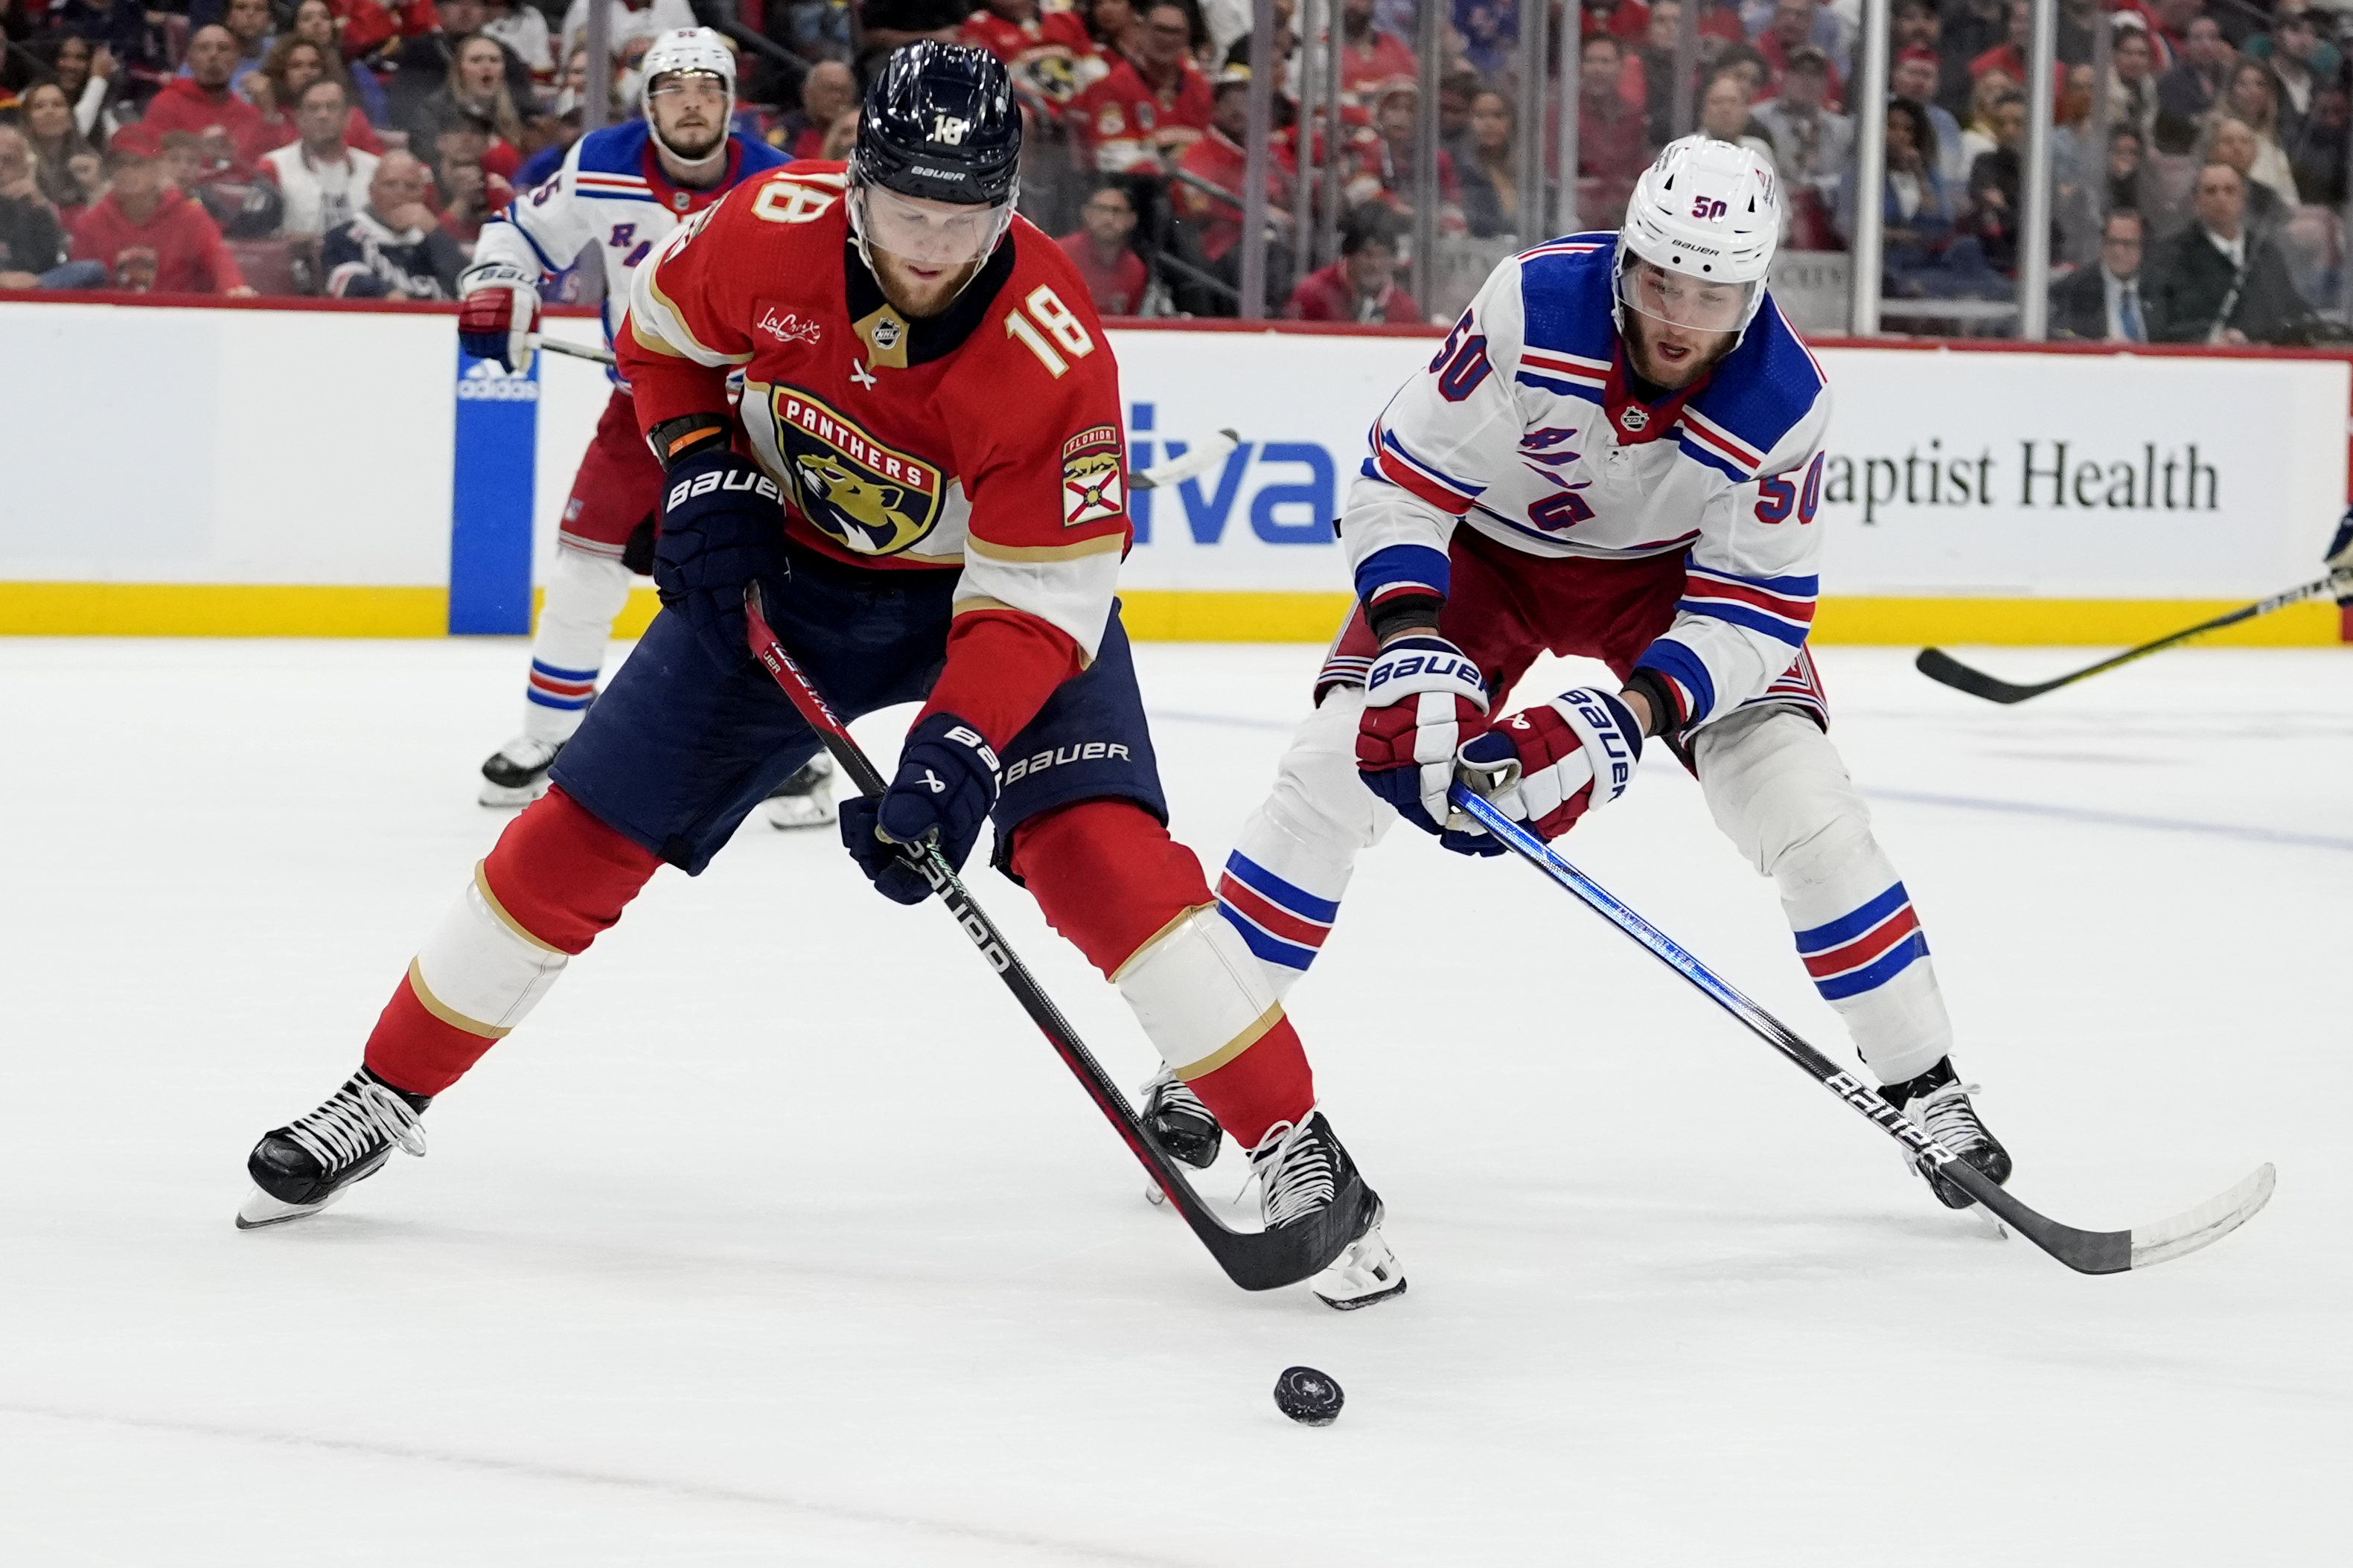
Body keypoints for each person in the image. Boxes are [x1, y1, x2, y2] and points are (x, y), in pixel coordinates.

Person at [238, 40, 1401, 1313]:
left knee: (1100, 856)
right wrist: (699, 464)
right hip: (788, 579)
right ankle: (384, 1090)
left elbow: (1034, 602)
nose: (930, 243)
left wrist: (956, 752)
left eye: (961, 218)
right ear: (856, 186)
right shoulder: (766, 226)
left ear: (1008, 203)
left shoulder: (1055, 352)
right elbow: (665, 340)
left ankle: (1298, 1145)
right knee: (579, 832)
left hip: (987, 601)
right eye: (907, 209)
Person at [1203, 133, 2014, 1232]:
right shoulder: (1536, 302)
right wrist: (1406, 638)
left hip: (1667, 592)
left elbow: (1757, 609)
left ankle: (1927, 1085)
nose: (1681, 316)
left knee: (1811, 813)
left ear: (1756, 290)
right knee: (1327, 777)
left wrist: (1630, 721)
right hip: (1486, 559)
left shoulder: (1784, 397)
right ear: (1627, 258)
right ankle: (1208, 1047)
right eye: (1662, 279)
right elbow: (1398, 487)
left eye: (1715, 292)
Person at [455, 28, 831, 826]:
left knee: (768, 581)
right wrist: (501, 284)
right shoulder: (600, 163)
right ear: (648, 101)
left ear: (731, 104)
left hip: (749, 415)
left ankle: (794, 753)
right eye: (673, 88)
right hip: (641, 402)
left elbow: (827, 295)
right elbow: (520, 231)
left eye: (707, 88)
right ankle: (550, 736)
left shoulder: (780, 185)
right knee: (585, 563)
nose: (690, 103)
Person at [69, 125, 256, 294]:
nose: (128, 171)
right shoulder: (89, 223)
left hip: (179, 322)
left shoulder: (190, 217)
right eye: (120, 164)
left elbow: (219, 261)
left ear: (159, 167)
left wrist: (235, 289)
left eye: (138, 163)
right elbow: (81, 287)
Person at [2145, 160, 2313, 345]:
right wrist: (2209, 341)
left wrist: (2262, 340)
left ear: (2243, 199)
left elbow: (2291, 311)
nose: (2221, 198)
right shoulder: (2171, 255)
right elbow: (2161, 324)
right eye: (2211, 191)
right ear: (2195, 202)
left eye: (2230, 190)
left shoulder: (2266, 253)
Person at [1075, 0, 1213, 173]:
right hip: (1141, 191)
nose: (1166, 39)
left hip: (1202, 189)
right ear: (1143, 30)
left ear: (1187, 38)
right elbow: (1115, 160)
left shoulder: (1201, 88)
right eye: (1159, 29)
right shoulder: (1112, 87)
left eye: (1175, 32)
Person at [321, 150, 467, 297]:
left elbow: (467, 284)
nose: (400, 193)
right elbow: (344, 280)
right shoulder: (345, 237)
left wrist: (435, 233)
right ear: (372, 192)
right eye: (390, 184)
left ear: (422, 197)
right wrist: (387, 295)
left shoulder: (431, 240)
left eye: (410, 187)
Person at [140, 25, 270, 179]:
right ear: (189, 59)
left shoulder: (250, 114)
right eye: (203, 49)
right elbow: (151, 162)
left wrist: (270, 112)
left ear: (237, 59)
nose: (214, 55)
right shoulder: (165, 104)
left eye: (223, 49)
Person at [260, 77, 380, 237]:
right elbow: (258, 238)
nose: (323, 115)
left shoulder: (376, 169)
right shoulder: (274, 166)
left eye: (332, 107)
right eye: (313, 108)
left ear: (348, 117)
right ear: (300, 118)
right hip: (299, 259)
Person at [0, 125, 107, 289]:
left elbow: (51, 262)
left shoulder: (32, 206)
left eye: (8, 161)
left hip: (31, 292)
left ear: (24, 168)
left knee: (93, 270)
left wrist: (41, 209)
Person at [1286, 203, 1419, 322]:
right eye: (1368, 255)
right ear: (1348, 255)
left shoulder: (1404, 309)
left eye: (1383, 256)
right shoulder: (1313, 295)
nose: (1375, 265)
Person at [2049, 207, 2151, 340]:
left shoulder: (2161, 288)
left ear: (2142, 247)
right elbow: (2059, 335)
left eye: (2127, 244)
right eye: (2112, 242)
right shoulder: (2073, 290)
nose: (2118, 251)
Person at [1058, 176, 1148, 313]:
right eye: (1101, 209)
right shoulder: (1061, 253)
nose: (1108, 219)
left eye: (1117, 211)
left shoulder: (1136, 270)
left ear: (1132, 219)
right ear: (1087, 214)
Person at [16, 79, 100, 214]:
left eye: (58, 104)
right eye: (39, 106)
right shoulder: (16, 163)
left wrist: (96, 189)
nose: (49, 111)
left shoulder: (90, 159)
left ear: (71, 117)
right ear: (28, 121)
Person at [1891, 45, 1967, 187]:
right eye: (1912, 73)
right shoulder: (1875, 110)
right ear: (1895, 76)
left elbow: (1949, 173)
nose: (1919, 82)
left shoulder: (1946, 122)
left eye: (1927, 75)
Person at [2154, 14, 2226, 154]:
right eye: (2198, 39)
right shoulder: (2171, 81)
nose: (2206, 46)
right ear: (2185, 44)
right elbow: (2173, 127)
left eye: (2213, 38)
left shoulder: (2229, 77)